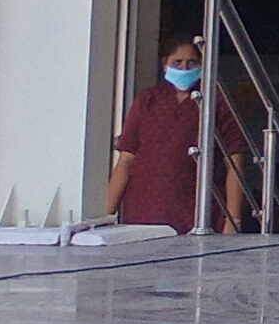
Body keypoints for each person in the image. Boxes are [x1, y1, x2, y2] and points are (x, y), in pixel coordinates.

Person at [106, 34, 253, 234]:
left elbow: (235, 163)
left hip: (195, 214)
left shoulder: (215, 101)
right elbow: (125, 160)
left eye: (191, 63)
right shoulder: (147, 100)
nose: (184, 68)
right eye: (177, 62)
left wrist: (233, 220)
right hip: (142, 214)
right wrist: (106, 217)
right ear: (165, 65)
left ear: (201, 65)